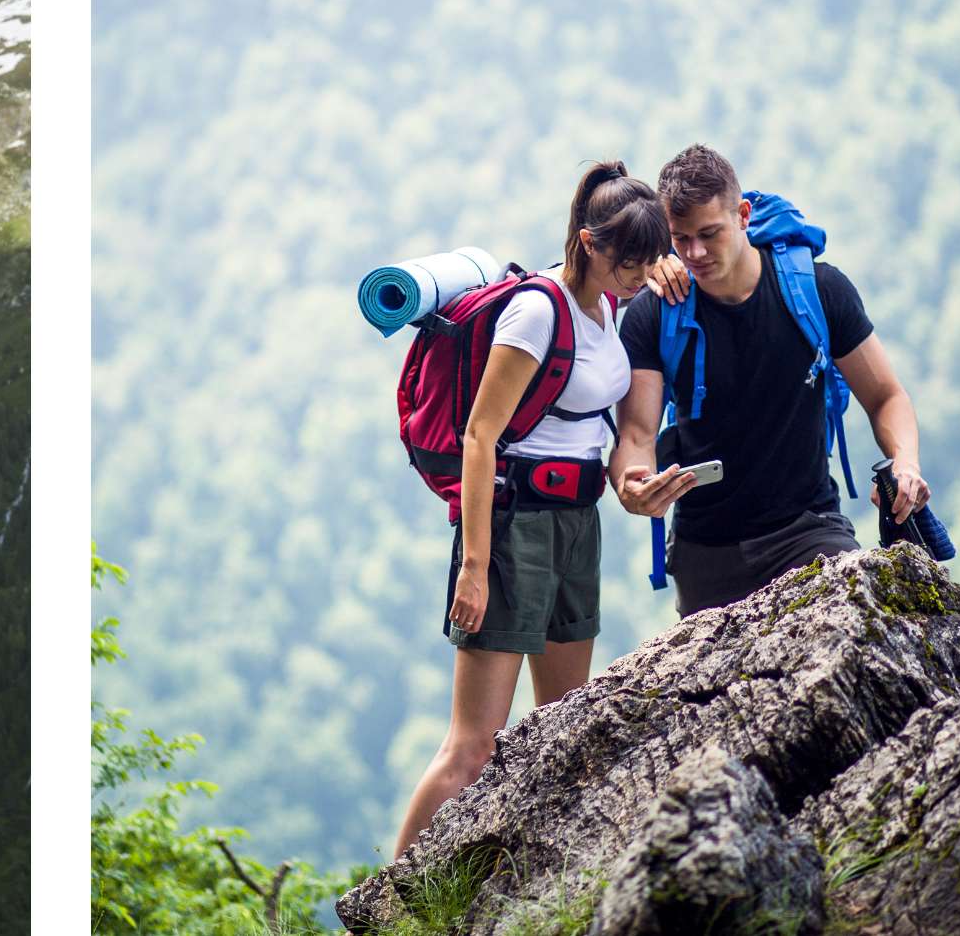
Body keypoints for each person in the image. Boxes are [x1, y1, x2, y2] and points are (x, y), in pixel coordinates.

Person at [391, 161, 668, 859]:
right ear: (588, 242)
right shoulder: (537, 311)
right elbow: (480, 435)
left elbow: (593, 426)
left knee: (562, 728)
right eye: (628, 262)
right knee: (473, 748)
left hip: (578, 524)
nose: (638, 276)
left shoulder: (610, 307)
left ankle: (540, 884)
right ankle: (383, 907)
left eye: (647, 263)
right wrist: (475, 567)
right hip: (514, 526)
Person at [612, 144, 932, 615]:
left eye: (710, 233)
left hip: (810, 531)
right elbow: (637, 433)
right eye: (681, 239)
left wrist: (905, 461)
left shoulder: (818, 291)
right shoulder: (654, 312)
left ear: (743, 215)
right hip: (707, 552)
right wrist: (631, 481)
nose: (695, 252)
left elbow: (885, 396)